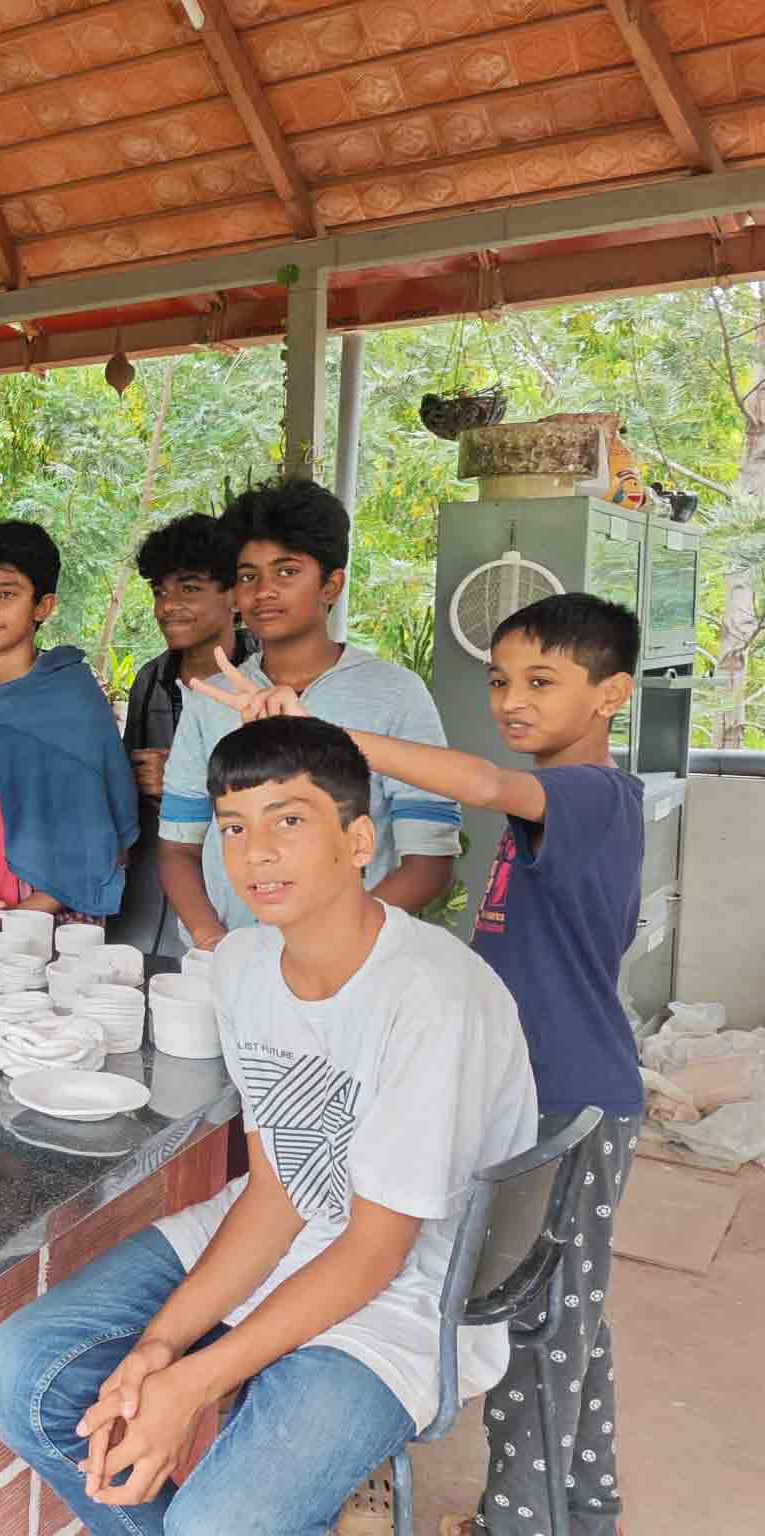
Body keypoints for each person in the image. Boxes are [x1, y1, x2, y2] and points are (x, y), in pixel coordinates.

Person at [0, 716, 538, 1534]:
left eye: (291, 820)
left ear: (359, 839)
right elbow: (277, 1192)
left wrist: (193, 1385)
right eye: (235, 827)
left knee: (216, 1522)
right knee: (15, 1372)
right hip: (282, 1235)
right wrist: (161, 1351)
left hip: (402, 1294)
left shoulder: (430, 998)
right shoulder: (241, 968)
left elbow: (377, 1250)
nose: (257, 851)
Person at [191, 594, 645, 1536]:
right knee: (565, 1315)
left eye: (542, 683)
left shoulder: (593, 795)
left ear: (613, 696)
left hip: (572, 1095)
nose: (512, 701)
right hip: (538, 1084)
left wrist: (320, 729)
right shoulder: (560, 808)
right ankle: (581, 1506)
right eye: (500, 681)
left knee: (542, 1327)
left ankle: (528, 1521)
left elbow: (480, 781)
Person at [158, 478, 460, 948]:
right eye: (247, 576)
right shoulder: (211, 699)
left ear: (331, 585)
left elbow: (428, 863)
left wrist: (336, 941)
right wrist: (212, 940)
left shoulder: (394, 693)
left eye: (286, 572)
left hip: (352, 965)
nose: (263, 592)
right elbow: (179, 848)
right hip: (229, 961)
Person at [0, 521, 138, 926]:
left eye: (6, 594)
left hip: (57, 926)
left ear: (43, 606)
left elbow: (100, 839)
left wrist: (18, 918)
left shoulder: (74, 703)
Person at [111, 514, 250, 958]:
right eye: (159, 591)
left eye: (189, 588)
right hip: (151, 886)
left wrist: (191, 775)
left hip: (238, 889)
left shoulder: (265, 682)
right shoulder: (151, 681)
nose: (167, 606)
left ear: (234, 595)